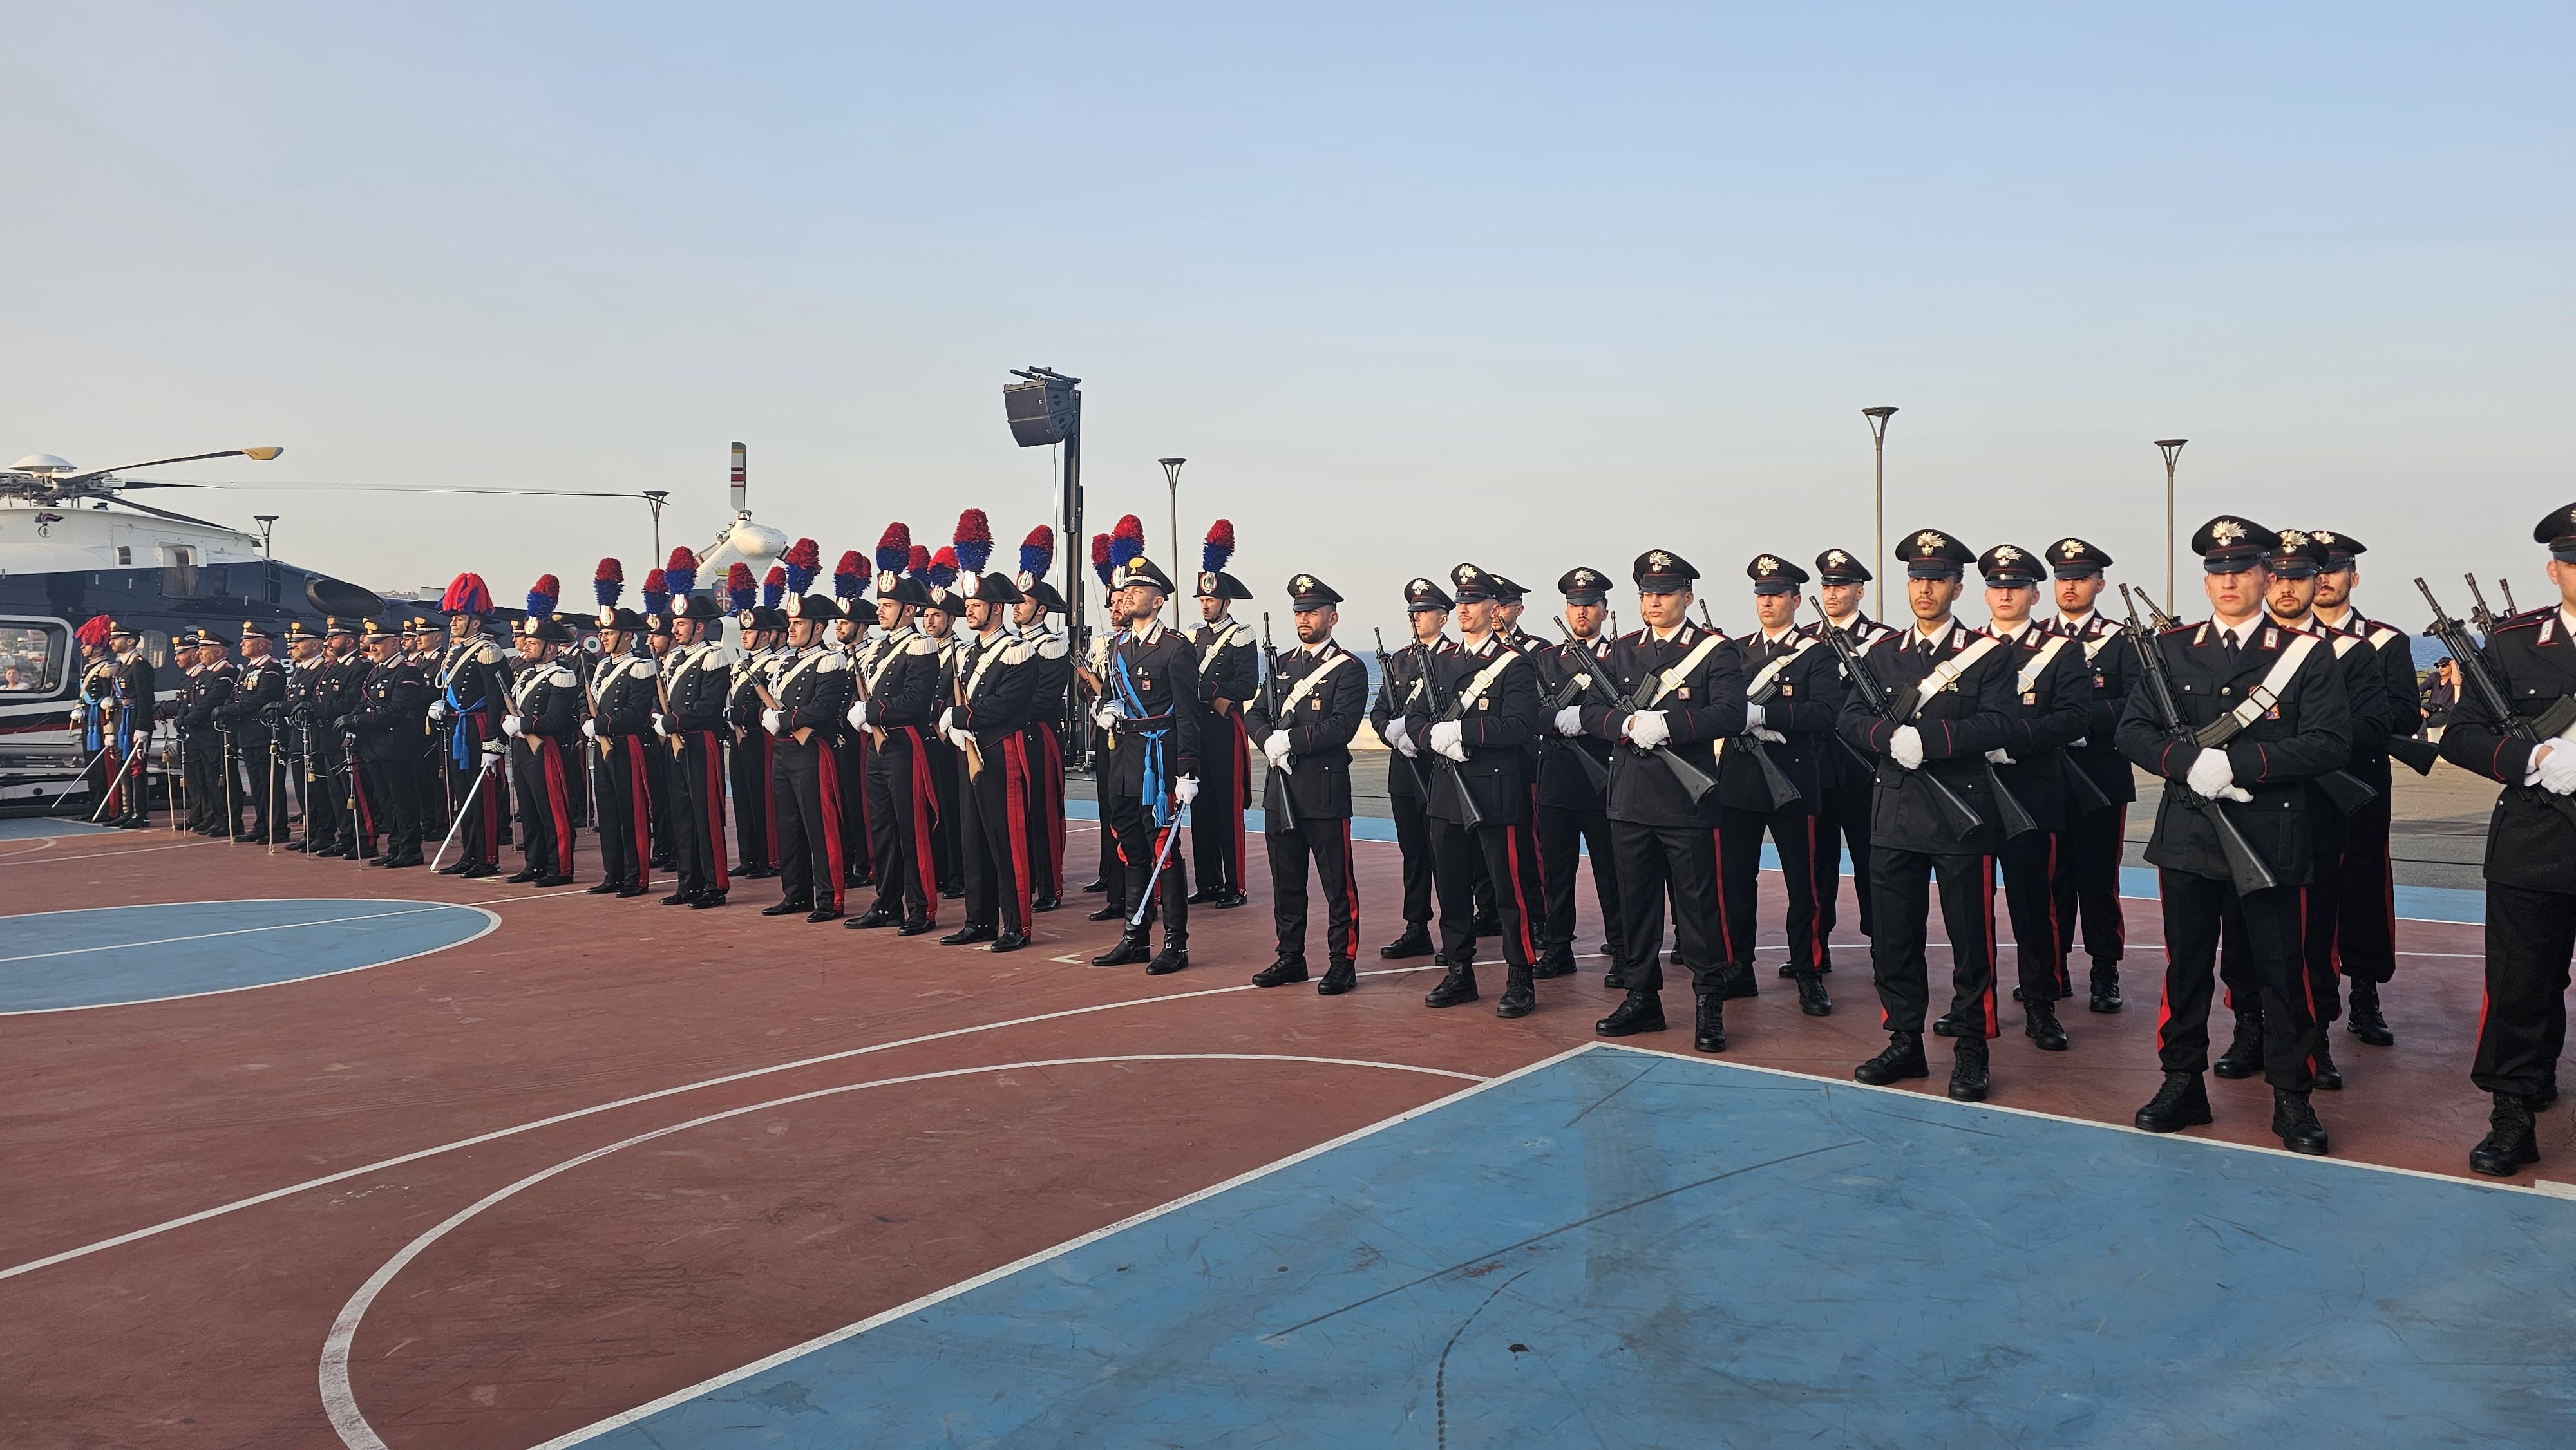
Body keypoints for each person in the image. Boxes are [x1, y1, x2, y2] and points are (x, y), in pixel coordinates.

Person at [2123, 516, 2350, 1156]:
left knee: (2284, 972)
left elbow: (2331, 741)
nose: (2228, 581)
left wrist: (2242, 763)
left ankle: (2291, 1095)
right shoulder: (2170, 650)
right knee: (2186, 967)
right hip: (2191, 831)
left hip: (2273, 835)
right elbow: (2132, 730)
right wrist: (2182, 762)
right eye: (2217, 571)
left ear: (2265, 576)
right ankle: (2181, 1083)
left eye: (2241, 570)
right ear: (2207, 580)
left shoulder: (2304, 653)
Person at [1835, 529, 2017, 1102]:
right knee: (1894, 936)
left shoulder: (1989, 653)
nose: (1924, 589)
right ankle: (1904, 1040)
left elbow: (1999, 724)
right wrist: (1888, 736)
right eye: (1916, 579)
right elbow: (1846, 719)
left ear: (1957, 588)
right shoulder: (1881, 653)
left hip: (1960, 812)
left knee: (1970, 936)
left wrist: (1931, 739)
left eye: (1936, 580)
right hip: (1893, 812)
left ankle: (1970, 1049)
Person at [2440, 502, 2576, 1175]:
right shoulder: (2513, 643)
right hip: (2535, 838)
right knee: (2522, 984)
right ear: (2553, 570)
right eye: (2574, 560)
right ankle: (2513, 1114)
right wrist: (2531, 760)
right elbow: (2462, 734)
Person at [1580, 550, 1747, 1049]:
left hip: (1685, 801)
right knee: (1637, 907)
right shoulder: (1620, 651)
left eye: (1664, 593)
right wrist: (1626, 724)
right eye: (1646, 594)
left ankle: (1708, 1002)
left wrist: (1669, 726)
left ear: (1688, 598)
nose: (1653, 602)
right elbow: (1591, 711)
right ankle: (1642, 998)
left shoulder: (1715, 652)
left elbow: (1731, 714)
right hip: (1630, 799)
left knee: (1699, 908)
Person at [1406, 563, 1549, 1018]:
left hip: (1494, 791)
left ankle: (1520, 976)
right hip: (1447, 791)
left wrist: (1464, 733)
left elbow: (1522, 725)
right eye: (1461, 602)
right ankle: (1459, 972)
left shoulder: (1514, 663)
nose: (1464, 608)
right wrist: (1433, 737)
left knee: (1509, 892)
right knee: (1450, 887)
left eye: (1473, 602)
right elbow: (1413, 717)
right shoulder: (1440, 662)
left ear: (1495, 609)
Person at [1968, 545, 2090, 1052]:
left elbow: (2073, 718)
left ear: (2034, 595)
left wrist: (2009, 738)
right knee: (1970, 910)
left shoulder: (2061, 651)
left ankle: (2041, 1004)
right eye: (1997, 587)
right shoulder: (1964, 649)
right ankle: (1976, 1007)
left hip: (2031, 795)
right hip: (1972, 795)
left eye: (2015, 587)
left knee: (2032, 907)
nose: (2005, 595)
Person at [1716, 554, 1842, 1018]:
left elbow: (1827, 714)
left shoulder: (1816, 652)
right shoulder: (1734, 651)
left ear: (1795, 600)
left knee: (1803, 884)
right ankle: (1738, 968)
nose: (1767, 602)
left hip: (1792, 780)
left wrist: (1767, 715)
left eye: (1776, 594)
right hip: (1739, 781)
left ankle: (1809, 971)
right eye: (1761, 595)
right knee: (1734, 882)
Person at [2309, 529, 2418, 1048]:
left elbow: (2403, 713)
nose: (2324, 579)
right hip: (2302, 786)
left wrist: (2328, 727)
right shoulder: (2284, 639)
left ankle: (2365, 992)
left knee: (2363, 892)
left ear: (2353, 577)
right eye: (2316, 569)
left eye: (2333, 569)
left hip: (2361, 783)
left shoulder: (2384, 642)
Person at [1248, 573, 1370, 993]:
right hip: (1280, 790)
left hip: (1323, 792)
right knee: (1286, 882)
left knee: (1338, 885)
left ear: (1332, 618)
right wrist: (1268, 742)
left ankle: (1342, 962)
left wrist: (1291, 740)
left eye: (1312, 612)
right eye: (1299, 612)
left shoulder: (1349, 669)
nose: (1304, 618)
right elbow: (1255, 714)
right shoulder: (1281, 665)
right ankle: (1290, 956)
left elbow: (1342, 726)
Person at [1090, 555, 1203, 975]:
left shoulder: (1175, 648)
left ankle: (1176, 942)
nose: (1129, 595)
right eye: (1128, 589)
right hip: (1124, 757)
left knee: (1164, 851)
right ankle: (1135, 936)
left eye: (1138, 590)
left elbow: (1189, 716)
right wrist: (1103, 708)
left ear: (1158, 601)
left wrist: (1187, 771)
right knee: (1130, 846)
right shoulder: (1118, 646)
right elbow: (1109, 693)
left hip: (1159, 760)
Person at [2042, 536, 2137, 1013]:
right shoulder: (2036, 639)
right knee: (2051, 878)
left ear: (2099, 583)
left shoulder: (2121, 641)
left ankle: (2105, 969)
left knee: (2098, 879)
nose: (2071, 587)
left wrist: (2084, 721)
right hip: (2045, 778)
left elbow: (2140, 704)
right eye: (2063, 578)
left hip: (2100, 774)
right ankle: (2052, 969)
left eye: (2080, 578)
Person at [1803, 548, 1899, 969]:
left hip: (1867, 769)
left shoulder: (1885, 642)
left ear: (1860, 591)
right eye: (1827, 585)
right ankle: (1816, 947)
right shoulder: (1804, 639)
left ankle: (1882, 945)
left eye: (1841, 585)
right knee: (1817, 864)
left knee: (1872, 862)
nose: (1832, 592)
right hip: (1817, 769)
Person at [1532, 567, 1626, 985]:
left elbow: (1627, 710)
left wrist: (1586, 721)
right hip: (1556, 779)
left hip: (1604, 780)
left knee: (1613, 872)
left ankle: (1623, 950)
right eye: (1574, 605)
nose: (1581, 611)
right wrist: (1557, 717)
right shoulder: (1548, 659)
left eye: (1589, 604)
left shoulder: (1622, 657)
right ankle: (1557, 948)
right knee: (1557, 872)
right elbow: (1527, 711)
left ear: (1605, 610)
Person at [846, 546, 946, 934]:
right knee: (882, 829)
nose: (881, 610)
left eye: (889, 605)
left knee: (911, 829)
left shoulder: (920, 646)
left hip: (904, 744)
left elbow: (914, 702)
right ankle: (887, 902)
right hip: (876, 746)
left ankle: (921, 906)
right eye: (881, 603)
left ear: (908, 610)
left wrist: (871, 712)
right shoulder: (877, 648)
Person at [938, 572, 1039, 948]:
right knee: (973, 839)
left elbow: (1006, 706)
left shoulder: (1017, 651)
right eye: (967, 606)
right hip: (971, 751)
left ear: (997, 608)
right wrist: (951, 716)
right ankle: (978, 920)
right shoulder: (966, 652)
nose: (969, 612)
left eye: (976, 606)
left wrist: (960, 718)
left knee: (1006, 841)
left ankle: (1017, 925)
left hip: (1001, 753)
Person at [758, 593, 857, 922]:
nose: (792, 629)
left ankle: (830, 898)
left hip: (812, 750)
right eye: (791, 623)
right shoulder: (785, 663)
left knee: (820, 825)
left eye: (798, 623)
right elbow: (770, 701)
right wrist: (767, 716)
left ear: (818, 627)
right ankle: (795, 893)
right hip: (784, 750)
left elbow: (822, 708)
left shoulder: (830, 661)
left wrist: (783, 720)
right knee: (788, 825)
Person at [1371, 578, 1455, 963]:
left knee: (1447, 854)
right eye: (1413, 613)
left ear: (1443, 616)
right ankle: (1417, 928)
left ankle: (1457, 929)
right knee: (1414, 854)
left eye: (1424, 612)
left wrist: (1419, 736)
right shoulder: (1401, 660)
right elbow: (1380, 709)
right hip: (1405, 773)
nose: (1417, 619)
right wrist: (1391, 732)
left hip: (1441, 771)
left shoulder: (1453, 659)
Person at [1188, 523, 1258, 909]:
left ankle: (1235, 885)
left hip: (1223, 727)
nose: (1205, 604)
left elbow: (1247, 686)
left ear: (1226, 602)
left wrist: (1212, 692)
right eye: (1202, 598)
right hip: (1197, 728)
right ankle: (1209, 882)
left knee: (1227, 807)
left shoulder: (1241, 636)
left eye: (1212, 600)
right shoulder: (1194, 636)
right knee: (1200, 806)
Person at [658, 581, 732, 909]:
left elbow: (707, 707)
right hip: (676, 743)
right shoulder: (673, 660)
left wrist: (671, 723)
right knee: (682, 816)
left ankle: (715, 885)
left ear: (699, 626)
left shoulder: (714, 656)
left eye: (681, 624)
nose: (675, 630)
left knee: (705, 815)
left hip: (701, 742)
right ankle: (688, 882)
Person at [430, 574, 510, 878]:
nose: (453, 624)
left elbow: (495, 699)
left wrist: (494, 740)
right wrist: (443, 708)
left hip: (478, 728)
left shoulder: (488, 652)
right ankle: (469, 854)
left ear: (475, 623)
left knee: (483, 796)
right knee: (463, 794)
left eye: (459, 618)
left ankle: (487, 857)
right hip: (458, 727)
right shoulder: (455, 652)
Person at [1010, 529, 1073, 912]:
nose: (1016, 607)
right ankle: (1028, 876)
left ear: (1042, 609)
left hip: (1039, 734)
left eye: (1024, 601)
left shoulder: (1051, 644)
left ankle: (1050, 885)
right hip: (1012, 735)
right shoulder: (1011, 645)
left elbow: (1045, 698)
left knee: (1044, 812)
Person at [502, 607, 583, 887]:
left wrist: (522, 726)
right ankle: (534, 864)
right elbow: (512, 707)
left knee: (552, 811)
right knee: (529, 809)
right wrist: (507, 722)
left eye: (533, 642)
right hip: (524, 751)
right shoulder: (525, 674)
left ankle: (560, 867)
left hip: (546, 749)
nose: (526, 646)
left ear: (550, 648)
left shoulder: (561, 675)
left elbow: (555, 719)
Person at [339, 619, 430, 867]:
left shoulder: (407, 671)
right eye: (370, 644)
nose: (373, 649)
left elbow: (396, 711)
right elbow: (364, 700)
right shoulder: (374, 671)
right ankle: (394, 846)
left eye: (378, 643)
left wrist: (358, 720)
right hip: (374, 746)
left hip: (396, 746)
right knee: (386, 802)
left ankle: (410, 849)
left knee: (403, 802)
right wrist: (349, 719)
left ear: (393, 642)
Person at [585, 600, 659, 898]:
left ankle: (635, 876)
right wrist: (586, 722)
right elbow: (589, 704)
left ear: (628, 635)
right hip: (603, 747)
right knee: (609, 811)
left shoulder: (640, 667)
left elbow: (635, 712)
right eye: (603, 632)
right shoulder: (602, 667)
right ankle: (612, 873)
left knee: (632, 813)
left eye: (609, 632)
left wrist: (600, 725)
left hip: (627, 746)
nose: (603, 637)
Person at [728, 593, 784, 881]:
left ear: (766, 634)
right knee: (742, 797)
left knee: (762, 799)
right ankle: (749, 855)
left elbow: (769, 705)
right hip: (740, 740)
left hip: (761, 738)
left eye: (750, 631)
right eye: (743, 631)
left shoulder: (773, 664)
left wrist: (741, 716)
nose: (745, 636)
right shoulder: (740, 665)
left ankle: (767, 856)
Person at [223, 621, 290, 843]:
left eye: (248, 640)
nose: (242, 644)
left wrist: (232, 710)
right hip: (248, 733)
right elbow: (237, 696)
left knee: (270, 782)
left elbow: (262, 698)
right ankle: (262, 825)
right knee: (257, 785)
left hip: (265, 733)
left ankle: (277, 827)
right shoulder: (248, 670)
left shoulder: (272, 668)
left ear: (262, 644)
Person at [281, 621, 340, 854]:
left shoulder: (321, 671)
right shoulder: (301, 670)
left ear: (316, 645)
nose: (292, 648)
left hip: (315, 736)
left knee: (318, 789)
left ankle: (324, 833)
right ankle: (311, 831)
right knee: (303, 790)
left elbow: (317, 703)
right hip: (298, 736)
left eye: (298, 642)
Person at [180, 629, 236, 836]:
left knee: (217, 780)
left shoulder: (226, 673)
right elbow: (190, 700)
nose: (200, 652)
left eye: (205, 649)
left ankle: (224, 820)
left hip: (213, 735)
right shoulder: (206, 674)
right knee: (204, 780)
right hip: (199, 735)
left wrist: (188, 719)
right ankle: (211, 816)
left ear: (220, 652)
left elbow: (210, 703)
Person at [104, 621, 156, 828]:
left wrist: (143, 726)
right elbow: (115, 698)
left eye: (116, 639)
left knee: (136, 767)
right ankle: (127, 811)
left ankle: (140, 814)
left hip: (135, 720)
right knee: (121, 764)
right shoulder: (120, 666)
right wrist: (110, 727)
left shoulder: (140, 664)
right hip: (121, 721)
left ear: (130, 641)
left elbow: (145, 698)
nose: (112, 642)